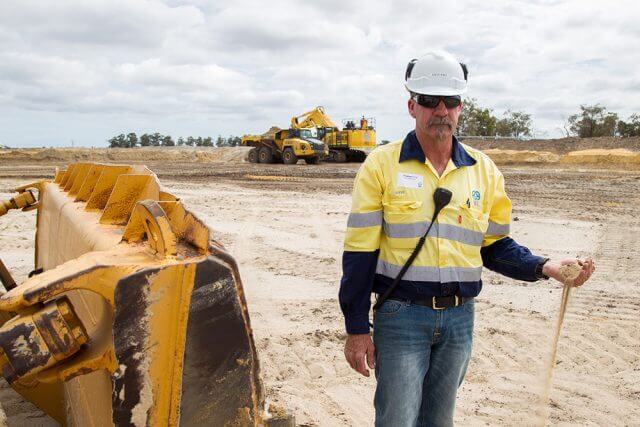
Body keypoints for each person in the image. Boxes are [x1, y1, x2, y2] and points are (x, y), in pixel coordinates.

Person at [338, 50, 595, 426]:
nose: (440, 109)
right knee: (397, 419)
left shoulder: (483, 170)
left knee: (440, 420)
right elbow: (360, 253)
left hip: (460, 319)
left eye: (450, 101)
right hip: (401, 315)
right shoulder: (380, 165)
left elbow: (495, 246)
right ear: (412, 106)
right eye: (429, 101)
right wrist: (357, 328)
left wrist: (546, 266)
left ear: (460, 107)